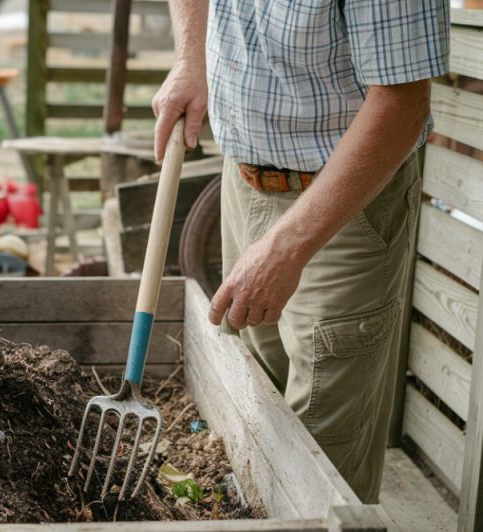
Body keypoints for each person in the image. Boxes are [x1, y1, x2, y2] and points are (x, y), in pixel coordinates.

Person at [151, 0, 449, 502]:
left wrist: (286, 247)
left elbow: (401, 105)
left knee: (319, 458)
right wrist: (191, 58)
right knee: (258, 405)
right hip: (242, 177)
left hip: (342, 205)